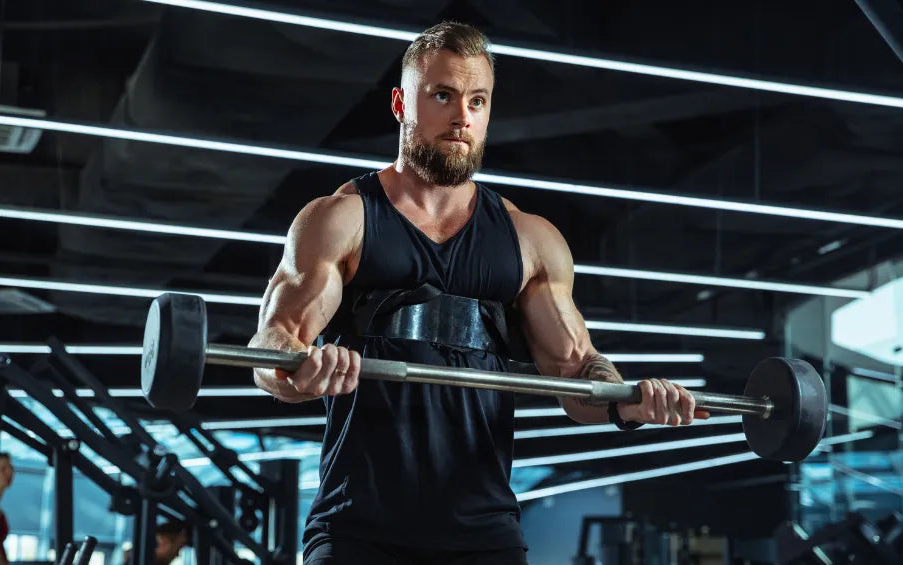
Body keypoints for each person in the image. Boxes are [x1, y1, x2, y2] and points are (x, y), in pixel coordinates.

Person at [249, 21, 708, 565]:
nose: (461, 116)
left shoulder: (529, 241)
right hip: (357, 528)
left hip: (483, 532)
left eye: (477, 100)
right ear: (401, 103)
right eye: (442, 95)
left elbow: (576, 373)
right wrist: (300, 370)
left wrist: (628, 402)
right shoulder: (341, 220)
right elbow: (272, 346)